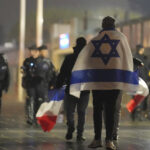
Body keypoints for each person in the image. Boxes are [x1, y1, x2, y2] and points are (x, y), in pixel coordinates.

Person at [69, 16, 138, 150]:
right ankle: (109, 140)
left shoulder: (95, 41)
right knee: (111, 111)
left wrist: (82, 76)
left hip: (97, 81)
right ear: (114, 25)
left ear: (102, 25)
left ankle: (97, 139)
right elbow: (127, 59)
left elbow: (85, 59)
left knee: (97, 110)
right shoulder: (121, 38)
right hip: (114, 81)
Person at [56, 37, 90, 142]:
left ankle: (71, 126)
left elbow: (63, 73)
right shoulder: (89, 58)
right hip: (85, 89)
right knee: (82, 112)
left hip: (71, 87)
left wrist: (58, 84)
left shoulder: (69, 58)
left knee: (69, 111)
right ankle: (80, 134)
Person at [22, 44, 54, 125]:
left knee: (40, 101)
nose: (32, 52)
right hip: (31, 84)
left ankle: (39, 117)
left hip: (41, 84)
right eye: (30, 51)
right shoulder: (27, 61)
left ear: (37, 52)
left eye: (33, 51)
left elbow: (50, 73)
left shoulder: (44, 61)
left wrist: (50, 83)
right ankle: (31, 118)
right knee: (31, 100)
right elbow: (24, 72)